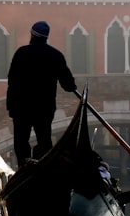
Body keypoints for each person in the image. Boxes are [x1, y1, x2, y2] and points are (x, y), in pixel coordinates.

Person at [6, 20, 78, 166]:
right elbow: (68, 85)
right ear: (46, 37)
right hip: (44, 108)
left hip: (21, 108)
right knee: (44, 140)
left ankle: (23, 167)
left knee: (21, 141)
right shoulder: (56, 56)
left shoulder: (21, 53)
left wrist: (11, 107)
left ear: (32, 35)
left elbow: (12, 81)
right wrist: (73, 87)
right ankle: (42, 168)